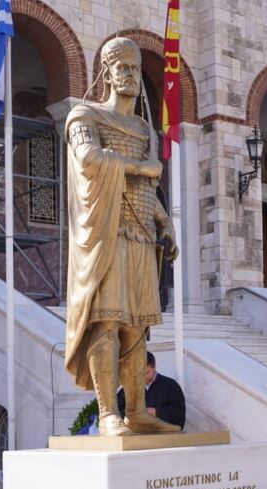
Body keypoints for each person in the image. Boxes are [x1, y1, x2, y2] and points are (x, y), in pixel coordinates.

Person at [63, 37, 179, 436]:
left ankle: (137, 411)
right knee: (108, 321)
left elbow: (148, 192)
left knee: (137, 327)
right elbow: (89, 159)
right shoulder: (85, 116)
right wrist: (141, 169)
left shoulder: (144, 129)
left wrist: (165, 221)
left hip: (142, 232)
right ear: (108, 73)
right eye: (122, 68)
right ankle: (108, 412)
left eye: (134, 68)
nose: (130, 75)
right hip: (106, 233)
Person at [117, 352, 186, 429]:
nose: (143, 377)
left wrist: (156, 412)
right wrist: (133, 414)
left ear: (154, 366)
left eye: (147, 373)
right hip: (137, 436)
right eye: (140, 373)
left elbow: (180, 413)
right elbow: (117, 412)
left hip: (164, 436)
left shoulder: (171, 385)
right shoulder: (129, 388)